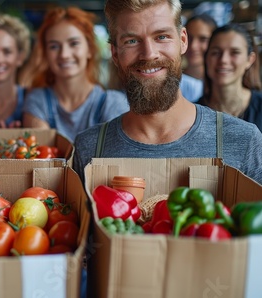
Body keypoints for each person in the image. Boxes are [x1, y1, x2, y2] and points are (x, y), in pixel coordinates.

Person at [73, 0, 262, 184]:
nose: (149, 53)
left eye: (161, 37)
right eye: (131, 41)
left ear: (182, 41)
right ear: (115, 53)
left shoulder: (244, 140)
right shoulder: (89, 148)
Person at [19, 6, 129, 142]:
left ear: (89, 49)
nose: (64, 54)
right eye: (54, 46)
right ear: (46, 54)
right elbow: (41, 155)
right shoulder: (37, 100)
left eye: (74, 43)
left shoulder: (113, 103)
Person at [198, 23, 262, 131]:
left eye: (234, 52)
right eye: (216, 53)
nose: (223, 60)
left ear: (250, 60)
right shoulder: (193, 115)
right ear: (206, 57)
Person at [183, 14, 218, 81]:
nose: (193, 46)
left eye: (203, 39)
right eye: (189, 38)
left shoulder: (221, 83)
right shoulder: (173, 82)